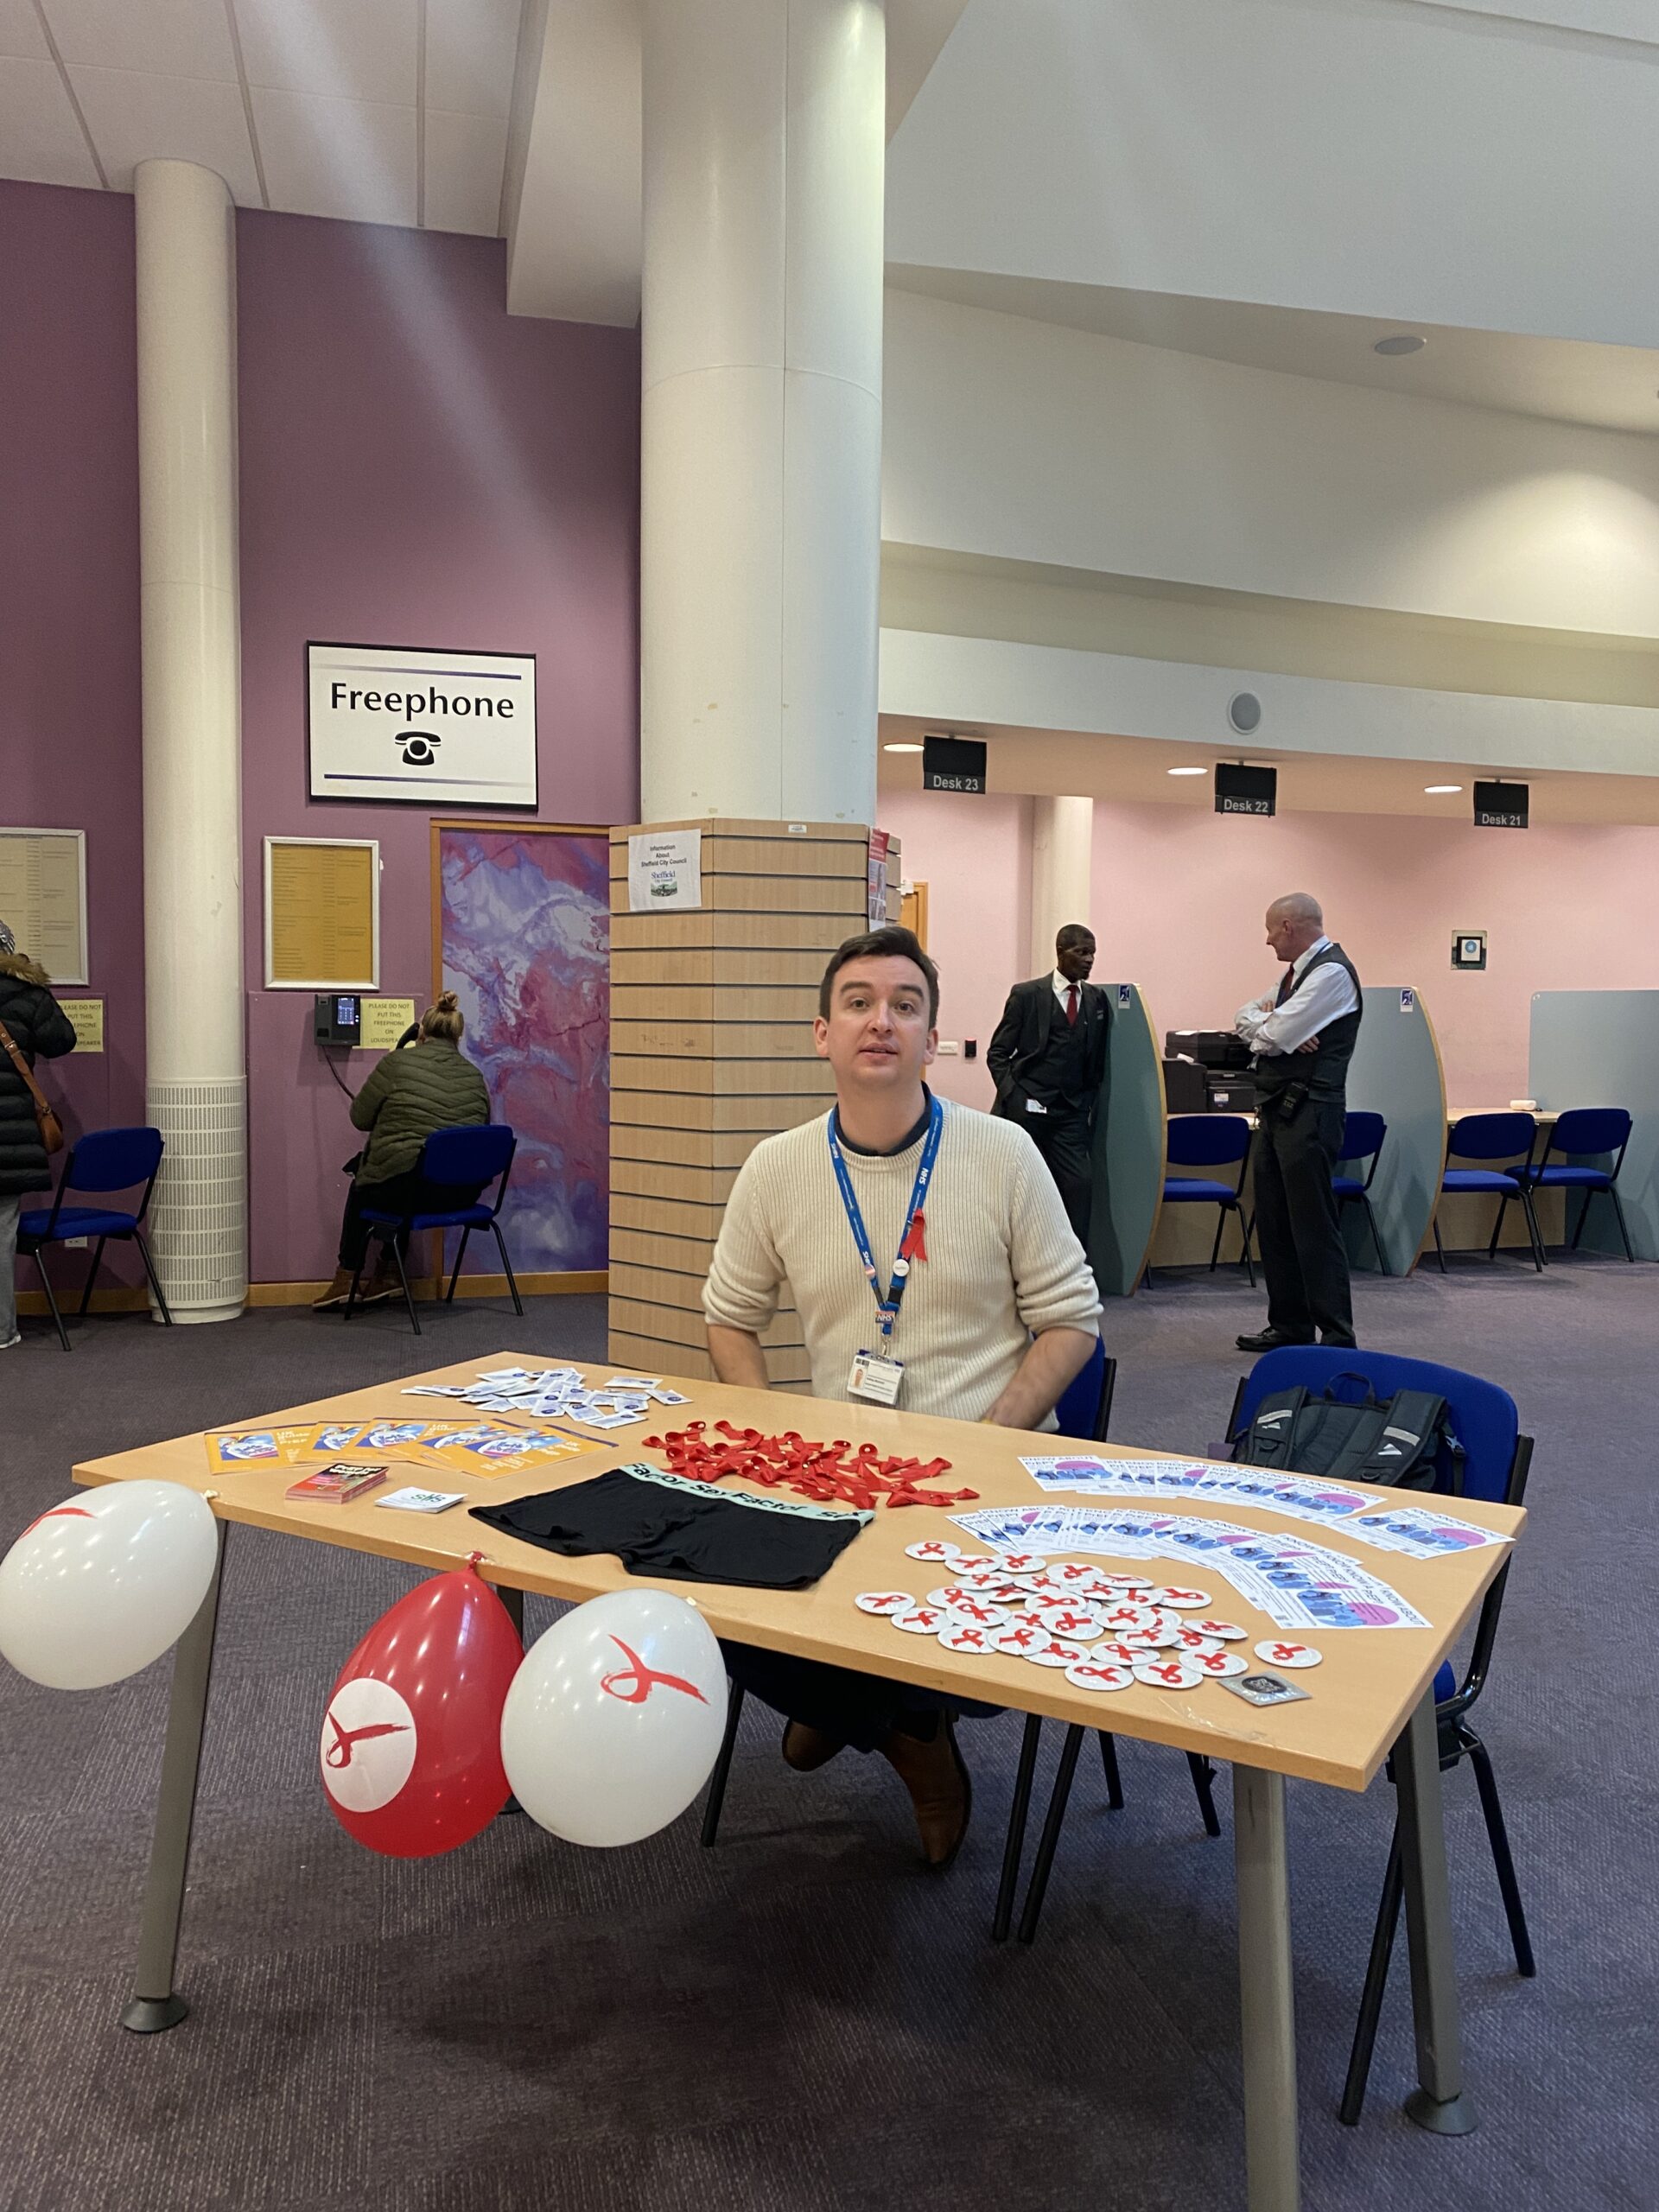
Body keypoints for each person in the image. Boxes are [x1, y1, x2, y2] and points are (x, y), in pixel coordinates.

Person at [702, 924, 1102, 1868]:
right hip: (839, 1471)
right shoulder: (778, 1166)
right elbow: (728, 1317)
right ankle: (886, 1716)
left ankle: (864, 1714)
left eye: (905, 1005)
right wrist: (774, 1437)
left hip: (986, 1477)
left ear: (933, 1037)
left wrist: (989, 1441)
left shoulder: (1003, 1155)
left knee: (950, 1616)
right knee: (701, 1587)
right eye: (858, 1003)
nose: (881, 1020)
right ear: (822, 1034)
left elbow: (1072, 1320)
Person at [1234, 893, 1362, 1353]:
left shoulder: (1330, 973)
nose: (1267, 941)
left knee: (1312, 1225)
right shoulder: (1294, 977)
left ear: (1288, 926)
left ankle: (1335, 1335)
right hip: (1277, 1111)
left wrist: (1276, 1028)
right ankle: (1289, 1325)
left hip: (1311, 1112)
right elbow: (1247, 1018)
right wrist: (1272, 1027)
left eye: (1270, 931)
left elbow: (1273, 1033)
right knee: (1275, 1221)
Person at [314, 991, 491, 1309]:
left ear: (420, 1032)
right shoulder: (475, 1076)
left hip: (412, 1192)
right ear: (458, 1035)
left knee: (368, 1181)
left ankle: (347, 1277)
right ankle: (389, 1272)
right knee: (410, 1167)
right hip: (462, 1194)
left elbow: (360, 1118)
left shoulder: (397, 1063)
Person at [986, 923, 1110, 1247]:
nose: (1089, 960)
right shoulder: (1027, 995)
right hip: (1028, 1112)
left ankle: (1073, 1269)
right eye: (1081, 952)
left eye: (1092, 953)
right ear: (1060, 953)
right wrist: (1013, 1096)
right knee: (1025, 1193)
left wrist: (1087, 1102)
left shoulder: (1097, 1001)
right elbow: (998, 1052)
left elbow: (1097, 1061)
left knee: (1079, 1187)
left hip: (1070, 1114)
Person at [0, 918, 78, 1351]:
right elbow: (61, 1041)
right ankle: (1, 1330)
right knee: (0, 1231)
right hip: (9, 1136)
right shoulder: (26, 993)